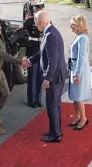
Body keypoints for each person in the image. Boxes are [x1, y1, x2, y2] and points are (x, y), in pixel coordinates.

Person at [26, 11, 68, 143]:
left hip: (55, 77)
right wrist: (31, 60)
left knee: (52, 106)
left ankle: (55, 135)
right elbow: (42, 53)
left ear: (40, 22)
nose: (35, 25)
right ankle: (55, 131)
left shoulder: (50, 35)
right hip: (57, 75)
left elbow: (53, 61)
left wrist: (47, 78)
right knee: (55, 105)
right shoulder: (49, 31)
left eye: (35, 22)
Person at [0, 17, 29, 134]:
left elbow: (7, 46)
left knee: (6, 93)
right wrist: (20, 62)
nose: (0, 28)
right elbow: (4, 55)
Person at [19, 1, 45, 108]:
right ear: (34, 10)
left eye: (40, 8)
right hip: (33, 49)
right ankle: (31, 100)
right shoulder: (29, 20)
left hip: (42, 49)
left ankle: (38, 99)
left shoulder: (46, 20)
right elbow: (21, 31)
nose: (38, 10)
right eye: (37, 9)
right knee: (32, 76)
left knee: (40, 76)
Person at [68, 15, 91, 130]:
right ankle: (77, 116)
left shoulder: (82, 38)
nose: (70, 27)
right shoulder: (78, 36)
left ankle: (83, 118)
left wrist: (77, 74)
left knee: (78, 96)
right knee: (74, 95)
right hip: (74, 68)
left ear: (78, 25)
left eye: (72, 25)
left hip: (78, 70)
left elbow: (81, 58)